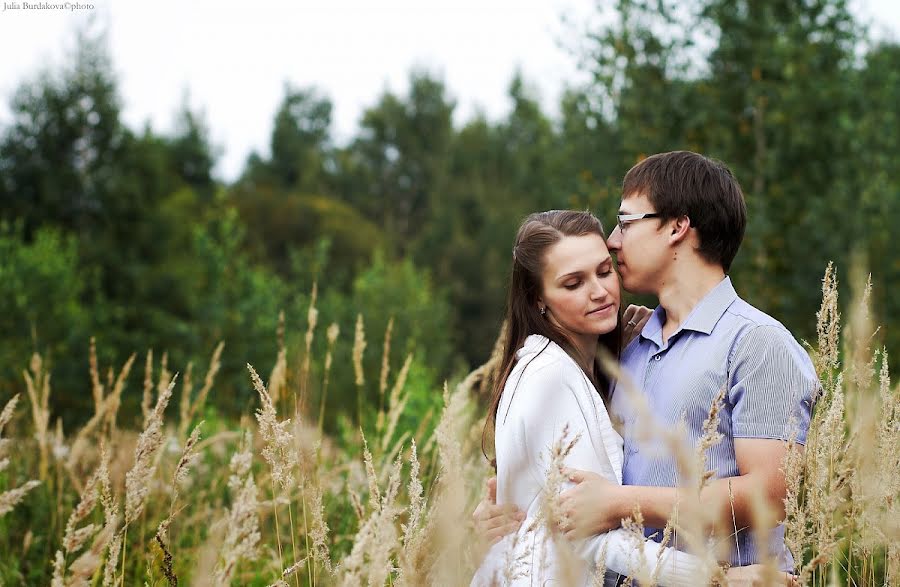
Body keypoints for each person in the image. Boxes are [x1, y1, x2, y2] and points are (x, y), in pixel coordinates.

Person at [474, 152, 817, 581]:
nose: (614, 240)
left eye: (626, 221)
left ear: (677, 227)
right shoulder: (625, 350)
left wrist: (621, 503)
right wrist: (516, 506)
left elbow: (769, 495)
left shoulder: (757, 343)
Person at [473, 209, 722, 586]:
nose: (599, 291)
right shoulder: (549, 376)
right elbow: (589, 536)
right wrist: (718, 578)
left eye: (604, 271)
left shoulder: (574, 368)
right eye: (573, 283)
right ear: (538, 299)